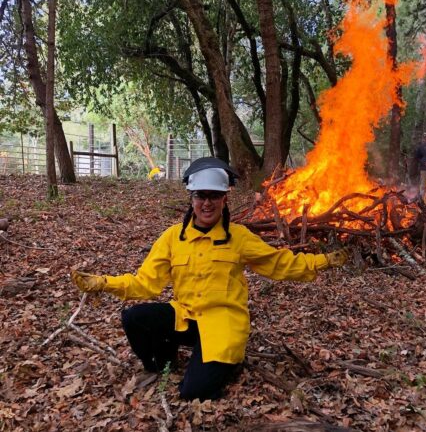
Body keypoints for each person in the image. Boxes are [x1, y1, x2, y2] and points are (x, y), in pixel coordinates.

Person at [71, 157, 348, 401]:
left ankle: (228, 361)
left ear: (224, 199)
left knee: (194, 392)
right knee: (134, 318)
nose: (207, 203)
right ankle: (164, 363)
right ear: (191, 199)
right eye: (201, 195)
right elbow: (145, 282)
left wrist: (322, 261)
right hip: (188, 318)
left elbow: (279, 264)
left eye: (214, 196)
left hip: (222, 325)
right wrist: (104, 283)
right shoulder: (172, 237)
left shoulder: (238, 237)